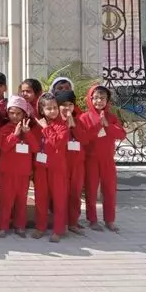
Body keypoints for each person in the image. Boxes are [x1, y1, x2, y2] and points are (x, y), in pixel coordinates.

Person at [82, 85, 126, 232]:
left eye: (102, 98)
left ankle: (109, 219)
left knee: (109, 190)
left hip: (108, 160)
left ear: (107, 101)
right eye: (95, 98)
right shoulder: (84, 117)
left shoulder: (111, 117)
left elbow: (122, 134)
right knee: (91, 190)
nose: (99, 101)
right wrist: (96, 126)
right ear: (90, 99)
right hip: (91, 160)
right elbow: (84, 138)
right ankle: (92, 219)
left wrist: (107, 126)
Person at [0, 95, 40, 238]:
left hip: (23, 172)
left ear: (24, 114)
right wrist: (15, 135)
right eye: (11, 113)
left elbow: (35, 148)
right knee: (6, 199)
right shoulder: (4, 129)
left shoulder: (29, 130)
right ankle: (3, 226)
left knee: (21, 199)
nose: (14, 116)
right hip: (7, 171)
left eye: (18, 113)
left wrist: (27, 135)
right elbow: (3, 147)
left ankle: (20, 225)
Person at [31, 92, 68, 243]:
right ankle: (40, 227)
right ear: (41, 110)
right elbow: (33, 146)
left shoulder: (62, 125)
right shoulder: (36, 126)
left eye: (54, 108)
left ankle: (58, 229)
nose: (52, 111)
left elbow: (58, 143)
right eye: (49, 108)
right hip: (40, 168)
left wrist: (46, 128)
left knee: (59, 199)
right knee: (41, 199)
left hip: (57, 168)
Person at [57, 89, 89, 234]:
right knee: (61, 194)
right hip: (61, 163)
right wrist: (65, 126)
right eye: (63, 105)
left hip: (77, 163)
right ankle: (61, 222)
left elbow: (85, 139)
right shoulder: (55, 122)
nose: (67, 108)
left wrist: (73, 126)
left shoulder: (79, 121)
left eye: (70, 104)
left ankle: (73, 222)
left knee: (75, 193)